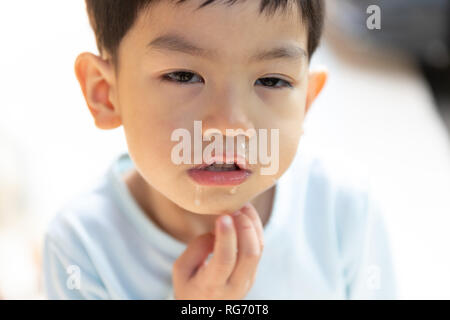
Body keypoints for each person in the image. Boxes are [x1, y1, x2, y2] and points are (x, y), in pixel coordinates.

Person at [42, 0, 396, 299]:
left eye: (271, 80)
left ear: (305, 101)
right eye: (183, 76)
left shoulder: (344, 211)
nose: (230, 125)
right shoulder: (81, 247)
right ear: (104, 92)